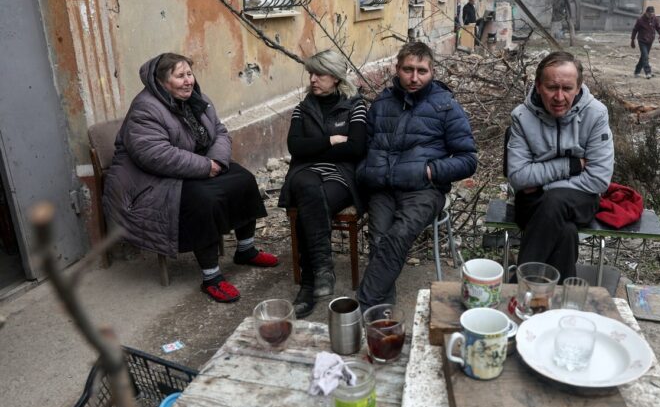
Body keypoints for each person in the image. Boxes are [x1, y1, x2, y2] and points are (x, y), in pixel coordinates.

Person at [104, 52, 278, 303]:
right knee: (202, 200)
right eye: (179, 76)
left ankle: (246, 249)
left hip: (195, 166)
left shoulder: (197, 99)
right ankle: (211, 278)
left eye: (189, 74)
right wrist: (205, 166)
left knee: (243, 180)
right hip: (149, 182)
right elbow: (155, 155)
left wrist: (216, 162)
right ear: (162, 81)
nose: (188, 81)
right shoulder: (146, 108)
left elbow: (219, 131)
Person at [356, 42, 477, 310]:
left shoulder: (446, 107)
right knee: (378, 239)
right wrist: (367, 171)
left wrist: (430, 171)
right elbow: (365, 145)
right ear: (397, 69)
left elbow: (468, 160)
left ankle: (365, 305)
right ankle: (380, 308)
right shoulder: (382, 103)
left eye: (421, 71)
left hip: (424, 190)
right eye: (408, 69)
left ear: (432, 71)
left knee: (398, 234)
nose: (414, 78)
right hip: (384, 188)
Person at [506, 51, 614, 283]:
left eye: (567, 88)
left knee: (554, 200)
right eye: (552, 87)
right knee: (565, 232)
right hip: (530, 204)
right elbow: (518, 176)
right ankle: (563, 300)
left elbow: (598, 179)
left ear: (578, 87)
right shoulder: (522, 116)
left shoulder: (596, 114)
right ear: (537, 86)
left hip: (579, 199)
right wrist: (572, 165)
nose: (559, 96)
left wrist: (542, 183)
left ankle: (518, 285)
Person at [278, 50, 367, 318]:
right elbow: (295, 147)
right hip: (305, 172)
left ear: (337, 77)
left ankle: (309, 284)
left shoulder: (355, 105)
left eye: (320, 73)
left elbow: (356, 148)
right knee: (307, 188)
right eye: (311, 73)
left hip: (340, 176)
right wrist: (331, 141)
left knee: (310, 199)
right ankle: (322, 270)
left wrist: (313, 149)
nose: (313, 79)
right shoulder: (302, 108)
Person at [631, 6, 660, 79]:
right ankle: (648, 72)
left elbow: (658, 27)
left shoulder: (655, 19)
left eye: (652, 14)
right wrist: (632, 40)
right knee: (645, 56)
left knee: (643, 57)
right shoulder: (640, 20)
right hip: (642, 40)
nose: (650, 16)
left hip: (650, 40)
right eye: (649, 14)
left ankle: (637, 71)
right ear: (646, 13)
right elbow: (635, 30)